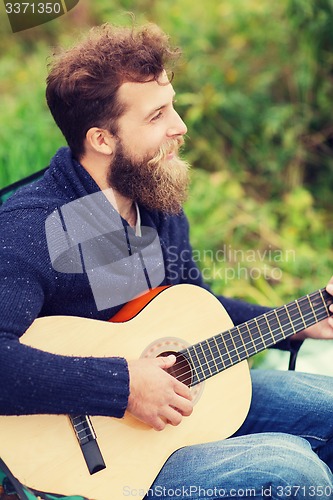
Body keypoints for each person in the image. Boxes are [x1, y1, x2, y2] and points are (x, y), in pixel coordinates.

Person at [0, 22, 333, 499]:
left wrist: (308, 318)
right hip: (98, 458)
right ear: (102, 139)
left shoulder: (146, 197)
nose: (179, 126)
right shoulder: (34, 228)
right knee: (293, 471)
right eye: (157, 115)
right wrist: (123, 385)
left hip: (178, 410)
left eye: (172, 105)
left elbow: (189, 312)